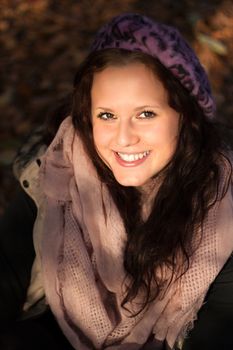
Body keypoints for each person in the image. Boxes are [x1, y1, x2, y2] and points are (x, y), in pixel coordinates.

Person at [0, 13, 233, 350]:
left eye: (146, 114)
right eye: (107, 115)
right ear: (87, 115)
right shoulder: (56, 169)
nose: (123, 138)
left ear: (187, 117)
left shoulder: (221, 207)